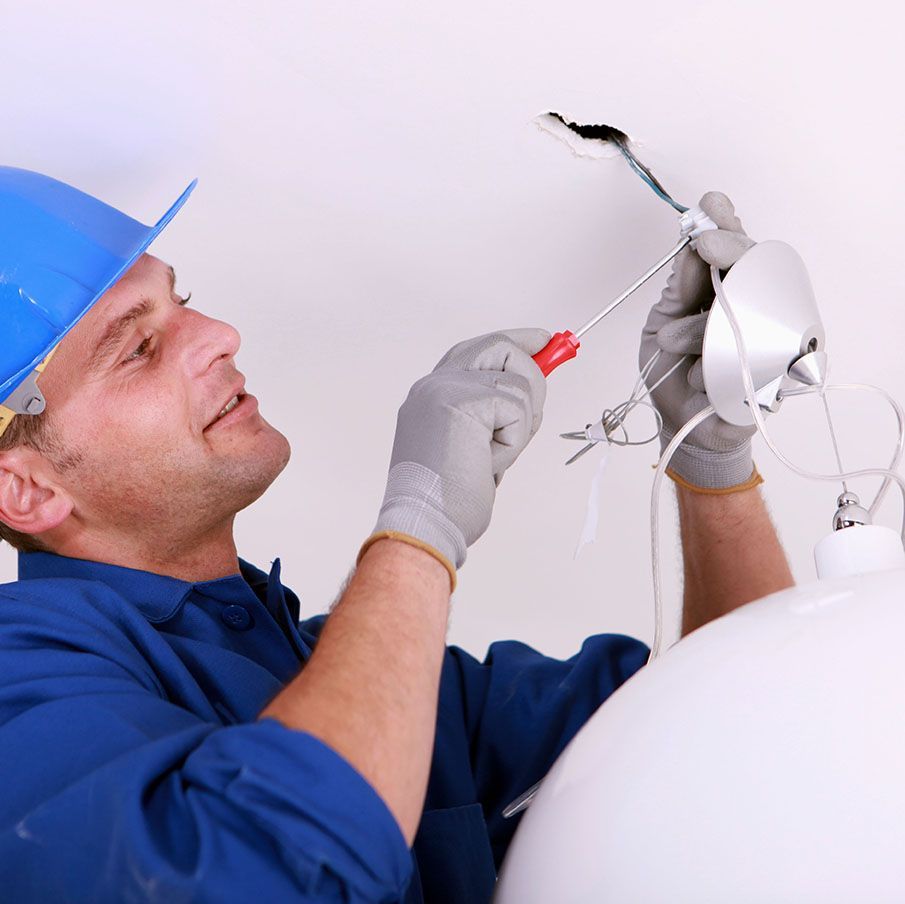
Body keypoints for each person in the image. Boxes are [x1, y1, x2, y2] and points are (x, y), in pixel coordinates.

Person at [0, 168, 793, 902]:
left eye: (185, 300)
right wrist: (419, 525)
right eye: (137, 347)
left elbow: (732, 733)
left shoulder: (369, 677)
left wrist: (708, 456)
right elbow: (269, 867)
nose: (219, 333)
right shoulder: (20, 693)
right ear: (25, 488)